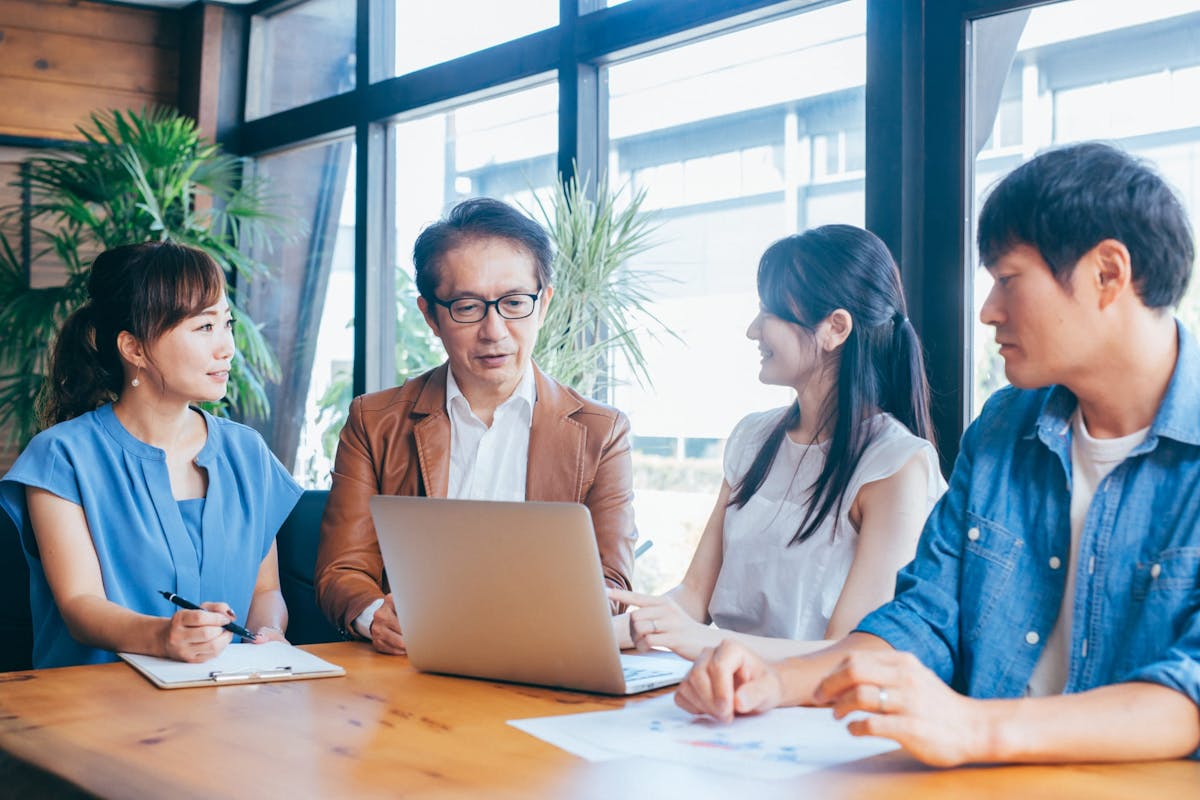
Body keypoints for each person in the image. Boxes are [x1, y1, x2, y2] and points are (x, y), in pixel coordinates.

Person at [674, 142, 1200, 765]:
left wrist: (975, 728)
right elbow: (922, 620)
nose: (987, 311)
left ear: (1107, 275)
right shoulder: (1003, 428)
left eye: (1007, 279)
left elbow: (1188, 689)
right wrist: (780, 681)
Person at [315, 197, 636, 653]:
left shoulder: (601, 433)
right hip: (410, 670)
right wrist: (374, 616)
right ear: (431, 315)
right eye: (467, 306)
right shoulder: (375, 420)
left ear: (543, 304)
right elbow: (341, 571)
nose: (494, 330)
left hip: (542, 663)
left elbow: (613, 583)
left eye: (513, 303)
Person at [609, 225, 945, 660]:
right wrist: (594, 634)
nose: (753, 330)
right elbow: (693, 599)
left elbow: (847, 653)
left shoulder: (896, 465)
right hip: (719, 689)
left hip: (810, 712)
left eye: (769, 312)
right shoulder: (753, 438)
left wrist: (702, 641)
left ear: (834, 328)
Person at [0, 241, 302, 668]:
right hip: (96, 711)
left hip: (227, 706)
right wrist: (163, 636)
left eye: (227, 324)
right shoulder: (61, 457)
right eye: (204, 327)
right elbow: (79, 606)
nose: (227, 347)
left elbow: (264, 591)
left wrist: (267, 634)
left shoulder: (247, 452)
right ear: (134, 349)